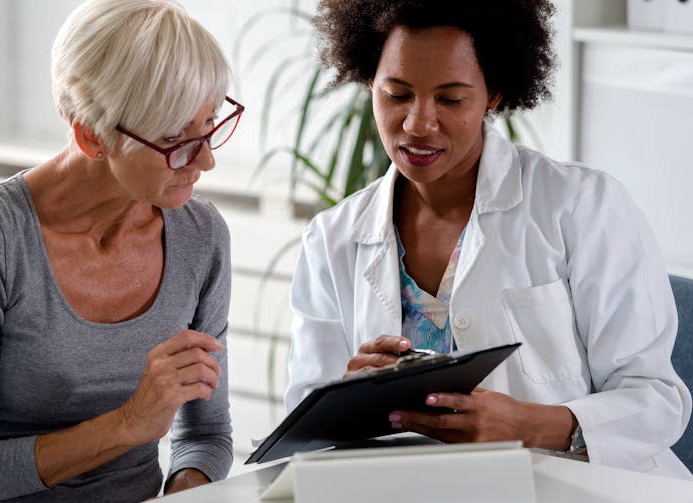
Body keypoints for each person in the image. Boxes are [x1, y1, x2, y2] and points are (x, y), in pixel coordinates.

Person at [285, 0, 692, 480]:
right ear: (369, 82)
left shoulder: (582, 206)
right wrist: (347, 398)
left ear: (494, 94)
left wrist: (532, 425)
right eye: (396, 94)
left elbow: (656, 400)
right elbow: (302, 431)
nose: (418, 123)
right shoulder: (332, 238)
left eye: (451, 99)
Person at [0, 0, 245, 500]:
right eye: (175, 138)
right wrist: (129, 424)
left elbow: (205, 435)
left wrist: (188, 488)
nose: (206, 160)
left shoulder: (201, 235)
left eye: (209, 123)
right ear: (92, 135)